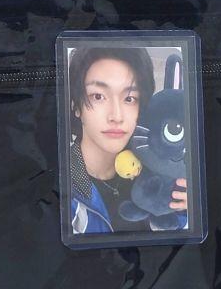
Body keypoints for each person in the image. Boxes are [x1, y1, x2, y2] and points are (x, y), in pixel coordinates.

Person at [67, 46, 187, 234]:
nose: (116, 116)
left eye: (130, 98)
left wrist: (185, 212)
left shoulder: (157, 165)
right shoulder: (60, 184)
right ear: (76, 106)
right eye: (98, 96)